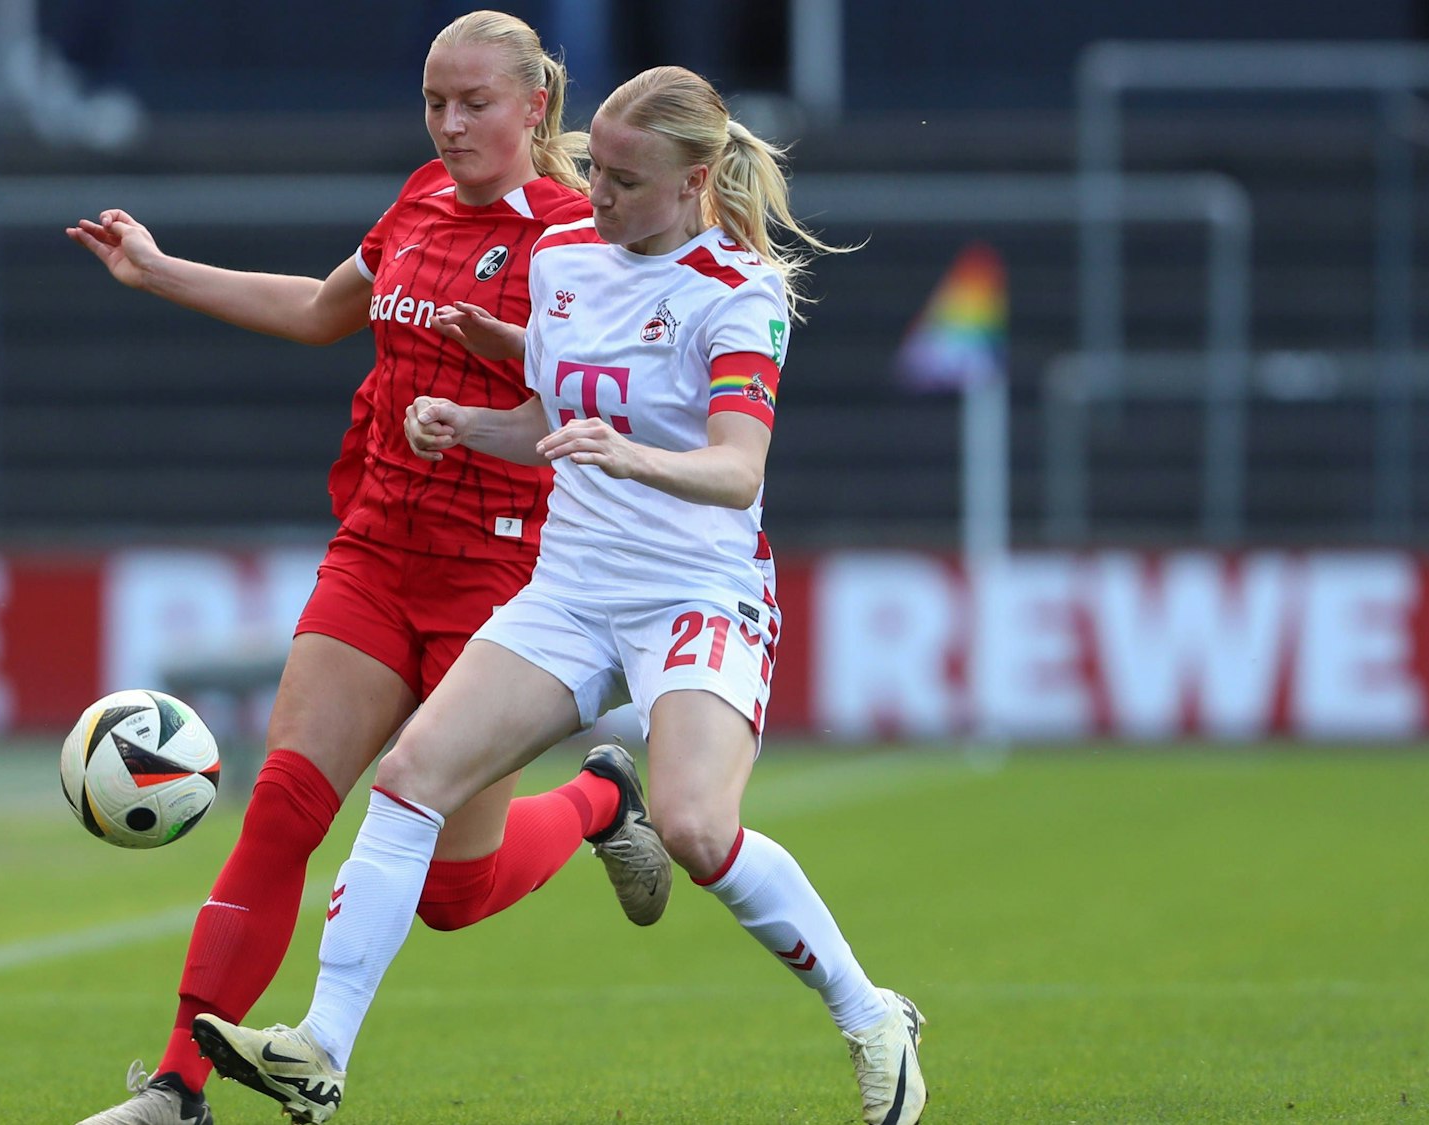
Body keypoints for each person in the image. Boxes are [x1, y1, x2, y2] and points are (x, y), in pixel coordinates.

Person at [189, 66, 928, 1125]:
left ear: (695, 179)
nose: (601, 197)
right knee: (409, 778)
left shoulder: (737, 292)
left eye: (624, 180)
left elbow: (735, 469)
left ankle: (870, 1017)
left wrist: (626, 457)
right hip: (571, 588)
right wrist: (468, 419)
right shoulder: (569, 256)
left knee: (692, 828)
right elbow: (553, 409)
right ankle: (321, 1047)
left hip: (694, 594)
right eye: (596, 172)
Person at [63, 13, 673, 1125]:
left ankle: (597, 801)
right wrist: (154, 273)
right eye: (433, 102)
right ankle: (174, 1087)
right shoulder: (417, 202)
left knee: (450, 892)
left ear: (535, 105)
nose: (447, 124)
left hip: (504, 582)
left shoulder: (585, 240)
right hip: (377, 552)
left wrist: (495, 420)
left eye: (471, 103)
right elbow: (315, 310)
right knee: (284, 805)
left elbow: (610, 404)